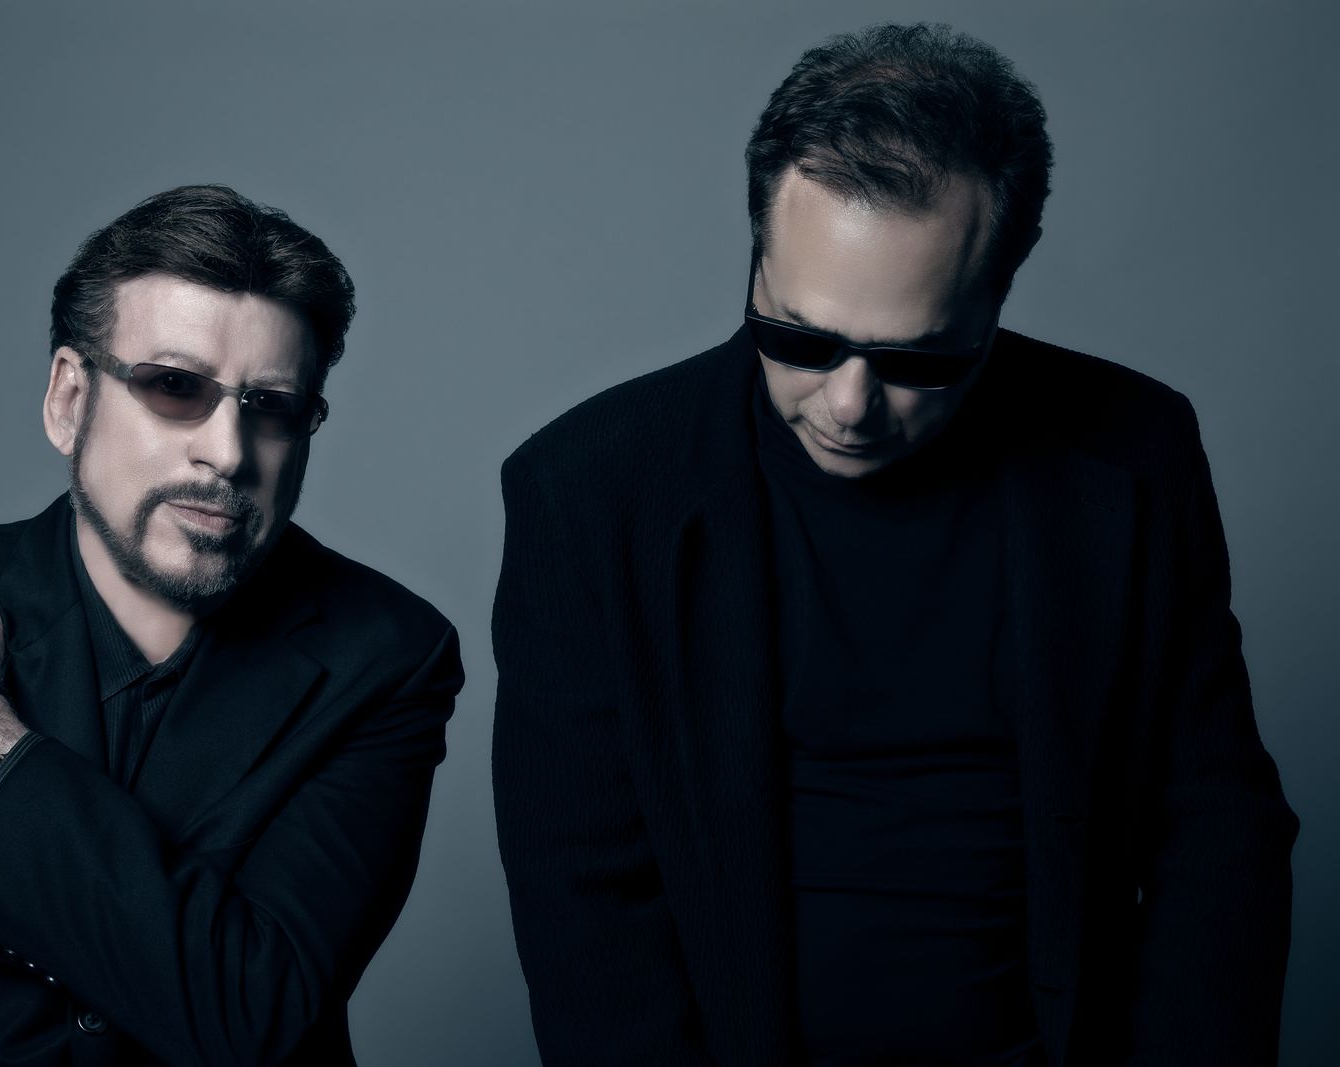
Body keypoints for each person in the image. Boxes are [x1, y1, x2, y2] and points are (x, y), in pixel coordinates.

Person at [492, 23, 1296, 1067]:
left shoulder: (1134, 452)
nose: (848, 403)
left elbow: (1216, 830)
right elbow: (583, 899)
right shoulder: (589, 492)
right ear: (756, 254)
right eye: (797, 338)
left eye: (916, 361)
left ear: (998, 293)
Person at [0, 184, 463, 1066]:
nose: (228, 452)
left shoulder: (386, 653)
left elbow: (252, 1016)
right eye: (174, 387)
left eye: (271, 405)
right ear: (68, 399)